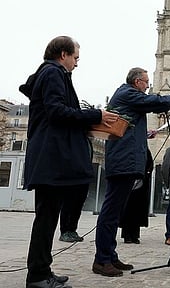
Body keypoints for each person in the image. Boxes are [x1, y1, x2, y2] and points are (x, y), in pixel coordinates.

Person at [19, 35, 119, 288]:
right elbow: (57, 111)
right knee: (46, 218)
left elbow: (59, 113)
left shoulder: (52, 74)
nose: (76, 63)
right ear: (63, 54)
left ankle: (42, 270)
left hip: (50, 156)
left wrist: (89, 123)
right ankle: (38, 276)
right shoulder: (53, 73)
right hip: (51, 158)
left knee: (48, 217)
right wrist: (95, 115)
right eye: (75, 57)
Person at [92, 67, 170, 277]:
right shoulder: (128, 93)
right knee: (110, 213)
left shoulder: (128, 95)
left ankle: (109, 255)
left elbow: (126, 125)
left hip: (125, 160)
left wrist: (144, 134)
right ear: (137, 82)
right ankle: (101, 260)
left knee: (115, 211)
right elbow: (152, 103)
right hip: (123, 162)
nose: (147, 85)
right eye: (145, 82)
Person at [118, 148, 154, 244]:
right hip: (128, 183)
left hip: (141, 184)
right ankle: (126, 235)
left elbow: (150, 164)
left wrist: (147, 173)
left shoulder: (145, 150)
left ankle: (135, 235)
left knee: (137, 211)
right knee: (127, 210)